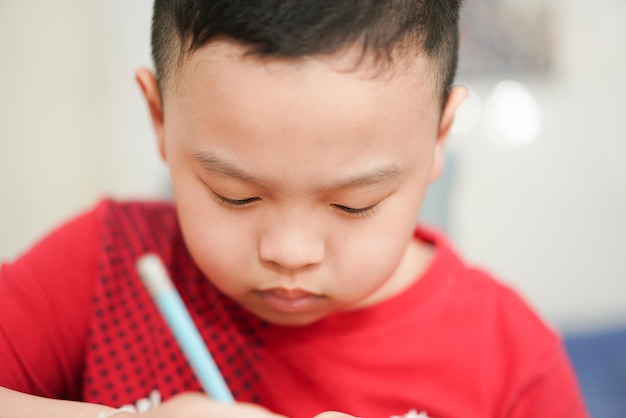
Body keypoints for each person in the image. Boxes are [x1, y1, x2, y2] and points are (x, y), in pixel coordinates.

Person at [0, 1, 588, 417]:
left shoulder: (511, 358)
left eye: (354, 204)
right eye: (236, 195)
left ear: (440, 135)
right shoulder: (104, 263)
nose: (289, 253)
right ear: (159, 118)